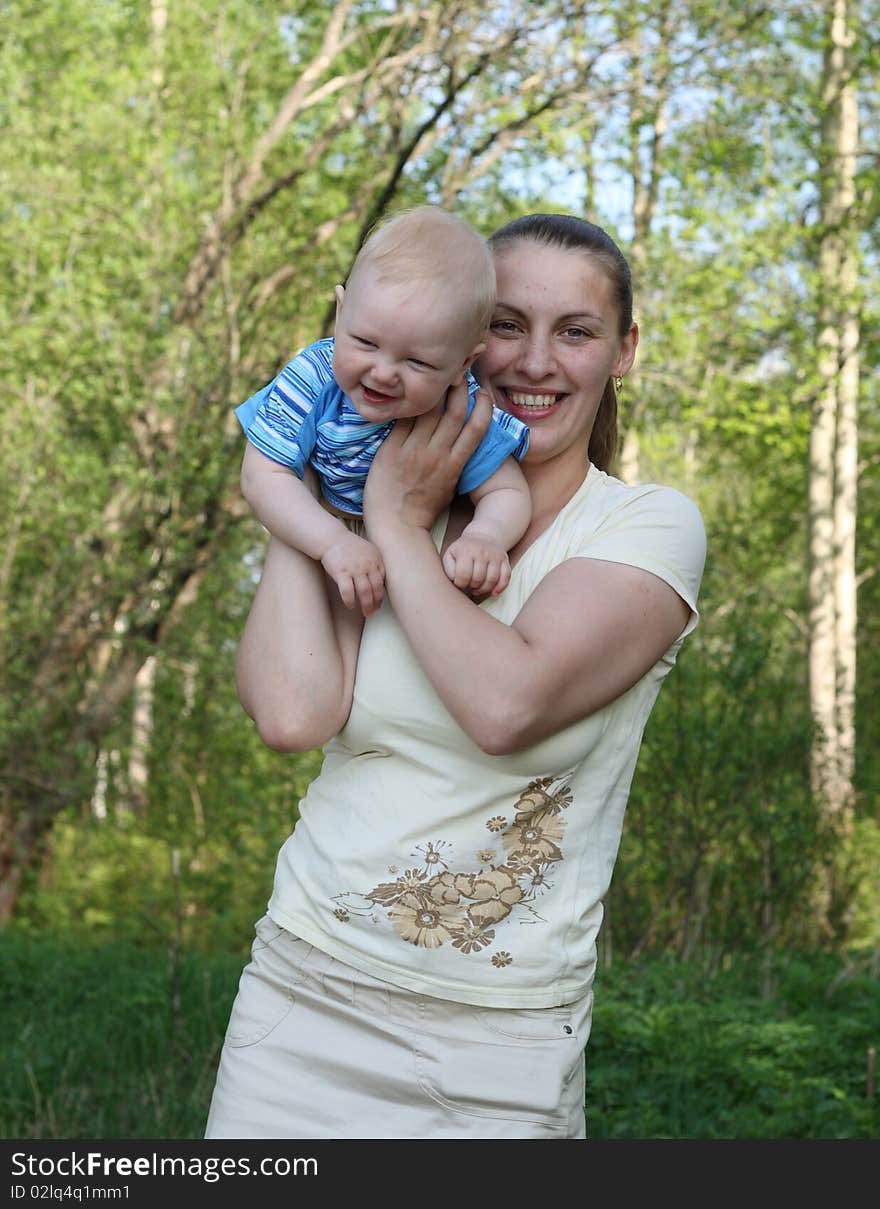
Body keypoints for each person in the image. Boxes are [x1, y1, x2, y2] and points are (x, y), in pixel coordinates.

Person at [205, 212, 707, 1140]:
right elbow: (289, 712)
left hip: (498, 1045)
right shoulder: (377, 494)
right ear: (465, 341)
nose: (535, 363)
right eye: (508, 326)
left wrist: (396, 526)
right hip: (301, 992)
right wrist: (311, 477)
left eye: (577, 331)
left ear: (623, 350)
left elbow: (505, 705)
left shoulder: (646, 527)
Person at [236, 205, 531, 616]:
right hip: (318, 535)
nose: (383, 372)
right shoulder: (314, 378)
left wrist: (486, 535)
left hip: (411, 563)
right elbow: (261, 474)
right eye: (366, 343)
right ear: (341, 315)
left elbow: (508, 491)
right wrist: (331, 543)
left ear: (463, 364)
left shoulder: (457, 409)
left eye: (417, 363)